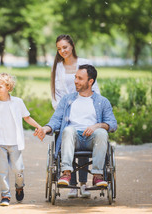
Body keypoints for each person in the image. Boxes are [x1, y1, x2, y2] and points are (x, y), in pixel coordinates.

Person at [35, 64, 117, 191]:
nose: (75, 81)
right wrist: (46, 128)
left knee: (102, 132)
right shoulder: (67, 99)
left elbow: (112, 124)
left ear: (90, 82)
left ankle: (97, 175)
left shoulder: (102, 101)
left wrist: (97, 126)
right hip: (72, 139)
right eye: (75, 77)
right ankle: (66, 173)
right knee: (68, 129)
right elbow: (56, 119)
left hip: (92, 139)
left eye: (80, 78)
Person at [51, 34, 101, 198]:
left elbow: (95, 87)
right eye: (59, 48)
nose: (62, 51)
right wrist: (61, 110)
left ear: (72, 46)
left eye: (65, 47)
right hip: (65, 110)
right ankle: (71, 184)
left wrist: (95, 107)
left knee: (84, 139)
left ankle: (83, 185)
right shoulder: (58, 67)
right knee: (69, 138)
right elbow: (56, 92)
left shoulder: (84, 63)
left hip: (86, 107)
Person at [0, 73, 42, 206]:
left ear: (8, 87)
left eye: (0, 86)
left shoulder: (17, 102)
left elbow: (27, 117)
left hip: (15, 143)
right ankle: (5, 195)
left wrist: (39, 126)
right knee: (2, 171)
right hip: (0, 144)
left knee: (18, 169)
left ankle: (19, 186)